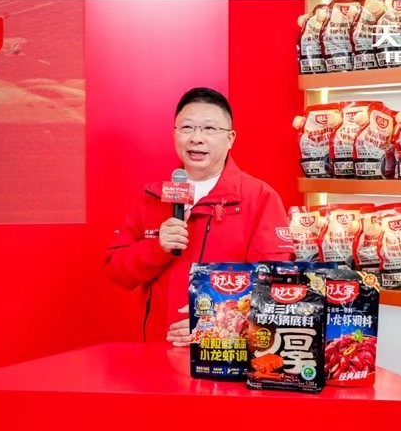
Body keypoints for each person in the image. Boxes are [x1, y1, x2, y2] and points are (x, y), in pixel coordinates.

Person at [103, 87, 294, 346]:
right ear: (174, 134)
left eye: (209, 129)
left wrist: (215, 321)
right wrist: (157, 248)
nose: (196, 138)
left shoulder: (259, 197)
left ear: (230, 138)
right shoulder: (153, 197)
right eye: (187, 128)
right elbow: (117, 271)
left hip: (227, 353)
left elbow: (275, 283)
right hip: (159, 351)